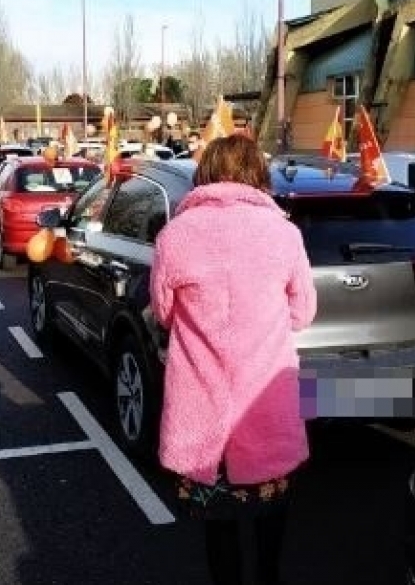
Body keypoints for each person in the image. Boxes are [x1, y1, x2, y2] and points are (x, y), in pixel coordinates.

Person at [150, 134, 317, 585]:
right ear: (258, 176)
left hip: (202, 406)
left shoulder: (175, 234)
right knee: (271, 519)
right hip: (265, 403)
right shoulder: (284, 233)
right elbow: (304, 312)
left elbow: (164, 312)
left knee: (217, 525)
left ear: (204, 175)